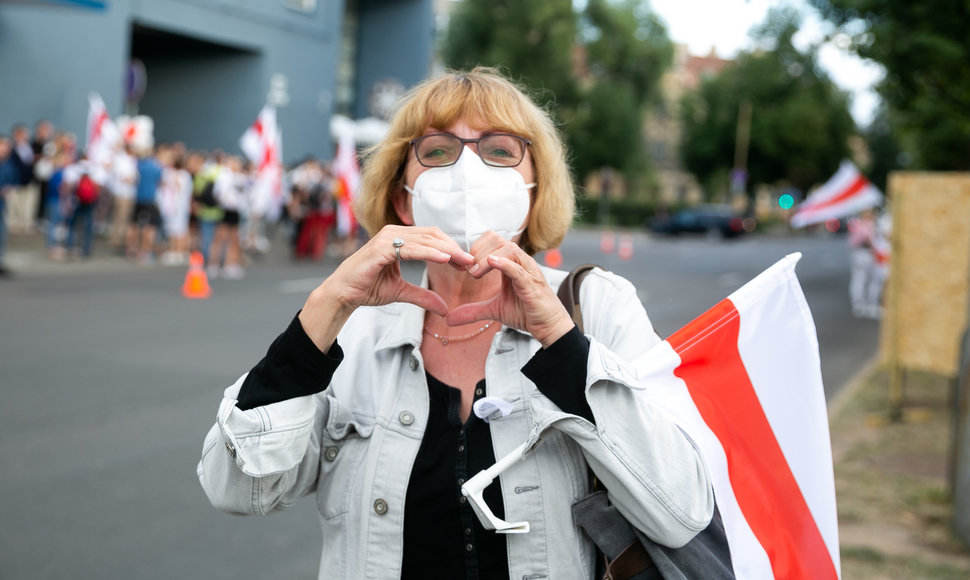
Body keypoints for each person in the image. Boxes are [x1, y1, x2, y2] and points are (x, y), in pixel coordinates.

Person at [197, 68, 714, 580]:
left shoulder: (597, 306)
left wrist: (561, 343)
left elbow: (680, 511)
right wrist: (325, 308)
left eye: (499, 151)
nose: (468, 170)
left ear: (531, 190)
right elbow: (239, 489)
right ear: (403, 197)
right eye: (439, 151)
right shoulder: (354, 329)